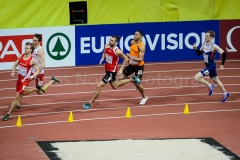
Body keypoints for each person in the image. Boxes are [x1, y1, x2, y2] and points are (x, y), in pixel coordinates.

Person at [82, 35, 141, 109]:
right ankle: (132, 79)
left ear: (116, 42)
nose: (110, 41)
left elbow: (126, 59)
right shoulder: (106, 46)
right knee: (115, 86)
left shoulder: (117, 51)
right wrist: (102, 58)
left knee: (99, 86)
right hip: (107, 70)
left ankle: (90, 103)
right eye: (110, 40)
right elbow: (105, 52)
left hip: (111, 71)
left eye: (112, 41)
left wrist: (121, 69)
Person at [13, 33, 59, 110]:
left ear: (39, 41)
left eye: (35, 40)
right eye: (33, 39)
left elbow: (43, 64)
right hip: (30, 71)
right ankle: (17, 104)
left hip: (38, 73)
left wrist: (36, 74)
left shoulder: (40, 51)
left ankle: (52, 80)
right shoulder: (31, 47)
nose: (33, 41)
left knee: (40, 92)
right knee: (21, 86)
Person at [3, 42, 39, 121]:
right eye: (25, 48)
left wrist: (32, 76)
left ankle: (8, 113)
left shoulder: (32, 60)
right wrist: (12, 71)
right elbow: (15, 65)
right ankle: (36, 89)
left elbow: (38, 71)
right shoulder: (20, 56)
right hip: (19, 79)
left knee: (17, 96)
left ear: (31, 50)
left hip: (25, 81)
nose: (25, 49)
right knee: (22, 93)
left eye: (27, 48)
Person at [192, 30, 230, 102]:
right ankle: (225, 93)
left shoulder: (214, 46)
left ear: (211, 37)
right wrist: (195, 49)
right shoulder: (204, 44)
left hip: (211, 67)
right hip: (208, 66)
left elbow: (224, 54)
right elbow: (199, 53)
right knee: (216, 80)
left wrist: (222, 65)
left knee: (196, 77)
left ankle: (210, 85)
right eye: (205, 35)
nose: (205, 37)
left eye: (207, 36)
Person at [119, 30, 148, 105]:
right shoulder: (132, 42)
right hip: (131, 65)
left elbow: (140, 59)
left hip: (139, 66)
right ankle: (133, 80)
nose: (134, 36)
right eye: (134, 34)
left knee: (138, 85)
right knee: (120, 77)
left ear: (140, 36)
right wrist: (130, 58)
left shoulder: (141, 47)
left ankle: (144, 97)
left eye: (136, 34)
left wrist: (131, 57)